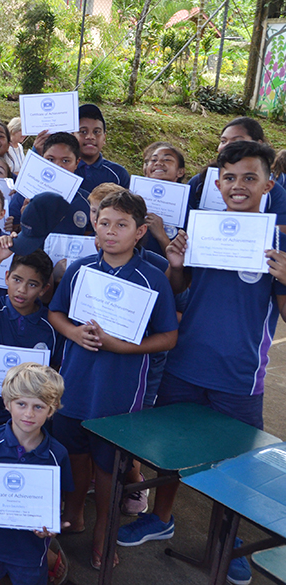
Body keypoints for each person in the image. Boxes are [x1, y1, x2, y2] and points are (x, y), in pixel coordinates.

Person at [118, 141, 286, 585]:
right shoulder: (202, 229)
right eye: (229, 178)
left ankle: (227, 542)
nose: (238, 186)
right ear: (217, 183)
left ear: (268, 184)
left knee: (233, 465)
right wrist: (175, 264)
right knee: (171, 453)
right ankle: (163, 517)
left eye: (249, 178)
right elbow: (178, 291)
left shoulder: (276, 243)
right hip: (185, 365)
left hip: (237, 376)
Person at [47, 190, 178, 568]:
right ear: (95, 225)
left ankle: (105, 526)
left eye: (122, 225)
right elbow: (57, 313)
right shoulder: (79, 269)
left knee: (108, 465)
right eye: (104, 223)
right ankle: (74, 514)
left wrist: (122, 348)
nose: (111, 231)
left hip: (118, 391)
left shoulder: (153, 278)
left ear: (139, 233)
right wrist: (74, 334)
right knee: (74, 451)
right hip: (74, 383)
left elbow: (168, 337)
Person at [0, 362, 72, 585]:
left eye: (38, 407)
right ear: (7, 403)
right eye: (21, 404)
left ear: (52, 409)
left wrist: (51, 525)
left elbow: (55, 499)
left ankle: (52, 556)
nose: (28, 414)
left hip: (30, 550)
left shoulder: (58, 454)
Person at [0, 241, 58, 426]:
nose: (22, 290)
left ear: (43, 289)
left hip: (29, 419)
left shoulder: (51, 324)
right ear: (6, 277)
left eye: (32, 284)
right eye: (17, 280)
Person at [9, 133, 92, 237]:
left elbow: (90, 240)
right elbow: (10, 233)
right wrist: (26, 220)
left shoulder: (87, 201)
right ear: (42, 159)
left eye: (65, 161)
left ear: (77, 163)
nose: (57, 166)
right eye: (50, 159)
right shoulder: (25, 192)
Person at [73, 103, 131, 192]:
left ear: (104, 138)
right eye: (83, 131)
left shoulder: (118, 174)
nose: (90, 136)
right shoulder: (64, 169)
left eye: (96, 132)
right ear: (72, 136)